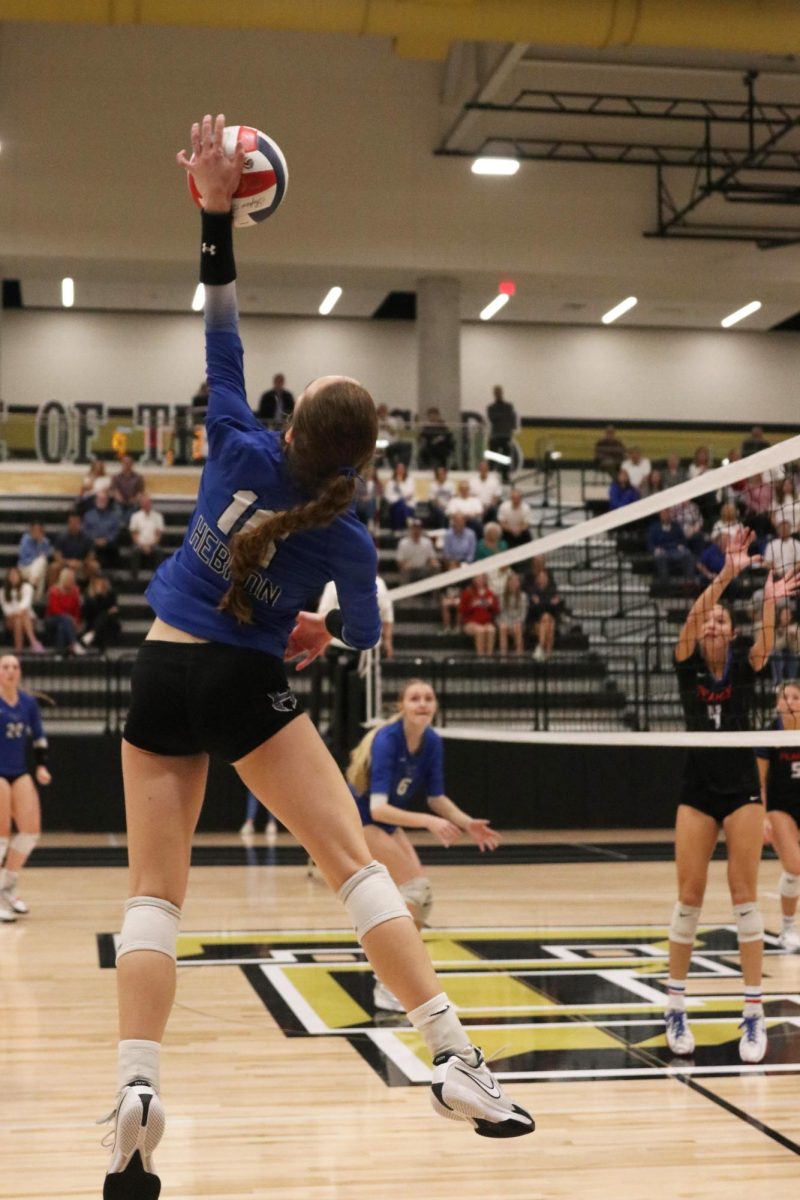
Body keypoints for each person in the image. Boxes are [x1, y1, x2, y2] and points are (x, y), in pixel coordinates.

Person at [99, 114, 532, 1196]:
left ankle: (137, 1091)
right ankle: (453, 1063)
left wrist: (212, 212)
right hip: (248, 684)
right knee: (353, 866)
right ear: (361, 460)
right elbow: (370, 634)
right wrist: (317, 630)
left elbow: (220, 316)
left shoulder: (236, 440)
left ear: (290, 429)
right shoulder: (342, 531)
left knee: (154, 895)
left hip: (160, 670)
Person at [664, 529, 799, 1065]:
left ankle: (752, 1012)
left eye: (723, 619)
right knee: (688, 900)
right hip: (697, 791)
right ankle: (675, 1006)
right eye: (710, 621)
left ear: (732, 630)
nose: (714, 624)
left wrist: (768, 602)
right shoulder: (686, 665)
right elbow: (693, 620)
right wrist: (724, 577)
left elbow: (765, 646)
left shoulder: (744, 669)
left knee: (745, 898)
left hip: (743, 791)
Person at [346, 679, 502, 1010]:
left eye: (428, 698)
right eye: (414, 698)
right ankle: (388, 982)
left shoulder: (431, 741)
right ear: (401, 706)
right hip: (359, 819)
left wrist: (466, 822)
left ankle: (395, 976)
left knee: (420, 897)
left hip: (382, 821)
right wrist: (430, 822)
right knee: (414, 891)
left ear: (435, 706)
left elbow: (436, 797)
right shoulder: (388, 740)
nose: (422, 703)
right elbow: (378, 808)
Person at [0, 654, 51, 922]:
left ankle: (7, 887)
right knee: (2, 834)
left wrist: (41, 766)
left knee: (30, 831)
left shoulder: (28, 703)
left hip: (18, 770)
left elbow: (39, 737)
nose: (10, 671)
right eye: (5, 667)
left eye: (15, 667)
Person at [758, 680, 800, 952]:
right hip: (780, 808)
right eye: (785, 697)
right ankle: (787, 929)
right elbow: (759, 781)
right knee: (795, 867)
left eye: (796, 697)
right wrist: (761, 817)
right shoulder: (769, 735)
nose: (790, 702)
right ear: (777, 704)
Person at [525, 566, 564, 661]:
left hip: (549, 622)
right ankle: (548, 655)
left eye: (544, 577)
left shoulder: (552, 591)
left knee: (548, 622)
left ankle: (540, 649)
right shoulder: (532, 591)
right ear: (537, 579)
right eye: (540, 577)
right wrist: (548, 604)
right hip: (535, 622)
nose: (542, 579)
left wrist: (541, 603)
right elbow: (533, 610)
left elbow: (556, 609)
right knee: (547, 620)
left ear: (547, 579)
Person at [1, 567, 44, 654]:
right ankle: (34, 641)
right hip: (10, 620)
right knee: (19, 618)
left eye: (15, 575)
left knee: (20, 619)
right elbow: (7, 611)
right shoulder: (2, 592)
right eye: (11, 575)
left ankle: (19, 651)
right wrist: (18, 613)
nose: (13, 577)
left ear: (20, 576)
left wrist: (18, 612)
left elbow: (25, 604)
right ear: (8, 578)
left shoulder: (27, 587)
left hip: (29, 619)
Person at [45, 568, 86, 656]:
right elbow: (54, 609)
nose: (71, 581)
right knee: (65, 619)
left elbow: (77, 609)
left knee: (62, 627)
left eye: (72, 579)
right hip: (52, 619)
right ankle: (74, 644)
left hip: (67, 622)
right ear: (63, 579)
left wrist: (77, 622)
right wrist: (70, 618)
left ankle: (59, 654)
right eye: (69, 579)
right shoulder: (54, 590)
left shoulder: (76, 591)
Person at [646, 509, 695, 584]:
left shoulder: (676, 526)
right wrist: (655, 549)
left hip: (675, 550)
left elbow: (683, 541)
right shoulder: (654, 528)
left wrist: (681, 545)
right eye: (664, 513)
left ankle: (689, 581)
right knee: (660, 557)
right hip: (662, 551)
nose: (666, 515)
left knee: (688, 554)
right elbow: (650, 543)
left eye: (668, 513)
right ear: (660, 515)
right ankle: (665, 583)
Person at [48, 511, 93, 588]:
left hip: (81, 566)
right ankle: (53, 593)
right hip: (65, 566)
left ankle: (92, 594)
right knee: (53, 567)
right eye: (72, 522)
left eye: (76, 522)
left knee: (94, 566)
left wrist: (81, 563)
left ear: (80, 524)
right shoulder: (61, 538)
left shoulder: (87, 538)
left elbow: (91, 555)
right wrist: (68, 563)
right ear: (68, 523)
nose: (74, 525)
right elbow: (57, 556)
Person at [459, 573, 499, 655]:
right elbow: (462, 611)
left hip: (486, 622)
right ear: (474, 580)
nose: (480, 580)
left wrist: (490, 604)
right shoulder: (468, 593)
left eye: (482, 578)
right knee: (480, 630)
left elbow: (496, 609)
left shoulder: (490, 593)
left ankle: (489, 656)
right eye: (478, 578)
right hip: (470, 623)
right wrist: (473, 605)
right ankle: (480, 656)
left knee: (491, 630)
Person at [82, 490, 123, 570]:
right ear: (95, 500)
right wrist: (95, 540)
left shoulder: (113, 516)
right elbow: (85, 531)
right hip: (92, 545)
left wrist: (106, 540)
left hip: (108, 547)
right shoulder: (88, 515)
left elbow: (115, 532)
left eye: (104, 499)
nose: (102, 501)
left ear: (107, 501)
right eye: (100, 499)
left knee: (113, 546)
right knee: (88, 547)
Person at [129, 493, 165, 580]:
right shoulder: (135, 516)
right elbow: (134, 535)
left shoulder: (158, 516)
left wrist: (150, 545)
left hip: (153, 543)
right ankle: (134, 577)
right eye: (144, 503)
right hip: (139, 543)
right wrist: (142, 545)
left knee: (159, 551)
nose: (147, 504)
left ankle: (157, 577)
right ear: (141, 504)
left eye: (148, 502)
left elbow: (158, 535)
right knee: (135, 550)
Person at [80, 574, 121, 652]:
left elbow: (115, 610)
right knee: (102, 619)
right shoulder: (88, 595)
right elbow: (88, 612)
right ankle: (102, 650)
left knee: (103, 616)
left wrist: (106, 611)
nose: (99, 585)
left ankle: (92, 634)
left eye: (101, 583)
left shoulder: (111, 594)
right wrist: (98, 596)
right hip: (93, 622)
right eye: (97, 583)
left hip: (110, 622)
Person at [17, 521, 52, 603]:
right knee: (40, 564)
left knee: (42, 561)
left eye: (38, 530)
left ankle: (33, 591)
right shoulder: (25, 539)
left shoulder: (45, 542)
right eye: (34, 530)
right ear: (31, 530)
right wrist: (36, 558)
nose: (36, 532)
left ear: (42, 531)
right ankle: (35, 596)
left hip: (36, 572)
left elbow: (45, 557)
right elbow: (23, 559)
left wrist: (39, 544)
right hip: (24, 567)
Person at [486, 385, 517, 478]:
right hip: (495, 435)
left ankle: (505, 475)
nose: (498, 394)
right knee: (492, 456)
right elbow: (493, 419)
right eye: (496, 392)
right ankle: (491, 473)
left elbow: (511, 418)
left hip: (505, 434)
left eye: (499, 392)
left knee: (506, 456)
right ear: (494, 394)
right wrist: (504, 418)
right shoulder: (491, 407)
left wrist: (509, 428)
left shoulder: (508, 406)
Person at [396, 520, 439, 585]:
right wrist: (404, 565)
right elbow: (399, 560)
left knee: (436, 567)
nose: (416, 531)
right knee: (404, 571)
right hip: (410, 569)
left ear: (421, 530)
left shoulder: (427, 542)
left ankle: (435, 594)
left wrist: (433, 563)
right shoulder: (403, 543)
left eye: (418, 528)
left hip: (423, 568)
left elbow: (432, 558)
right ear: (410, 530)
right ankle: (406, 594)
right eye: (414, 528)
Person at [497, 569, 528, 655]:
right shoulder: (502, 596)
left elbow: (523, 614)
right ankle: (503, 656)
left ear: (518, 583)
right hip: (505, 622)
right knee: (503, 627)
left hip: (517, 623)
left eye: (516, 581)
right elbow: (500, 614)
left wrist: (517, 623)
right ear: (507, 583)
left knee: (518, 627)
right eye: (511, 581)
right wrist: (505, 624)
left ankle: (519, 655)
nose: (513, 584)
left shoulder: (523, 596)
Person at [417, 406, 454, 471]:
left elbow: (448, 437)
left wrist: (439, 439)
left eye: (434, 415)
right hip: (429, 450)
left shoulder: (443, 427)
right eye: (430, 416)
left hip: (441, 451)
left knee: (435, 456)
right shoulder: (426, 428)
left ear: (438, 416)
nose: (433, 417)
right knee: (423, 455)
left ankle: (435, 469)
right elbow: (421, 438)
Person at [385, 461, 416, 532]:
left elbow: (409, 493)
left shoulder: (409, 480)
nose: (400, 470)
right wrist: (397, 500)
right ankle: (408, 519)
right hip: (394, 504)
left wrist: (399, 484)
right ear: (395, 470)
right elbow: (387, 495)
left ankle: (397, 529)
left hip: (407, 504)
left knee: (399, 506)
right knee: (399, 504)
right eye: (398, 469)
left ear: (405, 470)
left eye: (402, 469)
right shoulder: (391, 481)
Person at [469, 459, 502, 523]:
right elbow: (471, 496)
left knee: (494, 510)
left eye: (485, 468)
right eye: (481, 468)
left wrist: (488, 507)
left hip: (490, 507)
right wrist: (479, 507)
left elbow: (496, 497)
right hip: (476, 507)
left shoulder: (494, 481)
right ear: (479, 469)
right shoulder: (472, 481)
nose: (483, 470)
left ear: (488, 469)